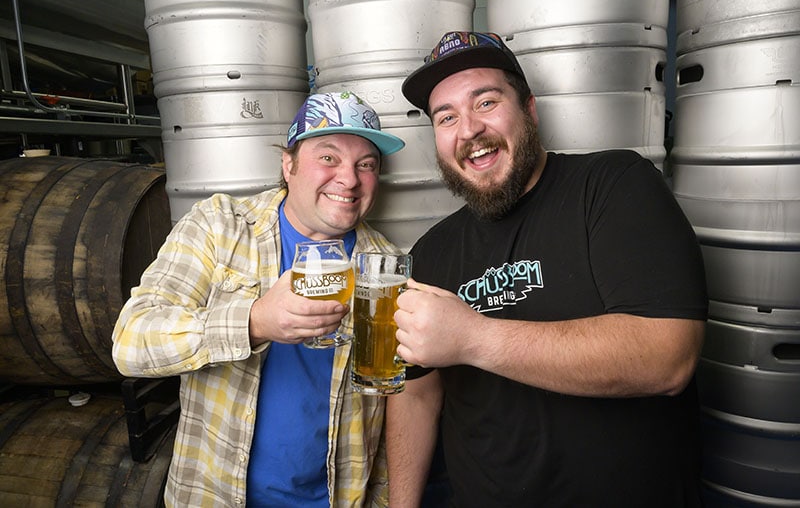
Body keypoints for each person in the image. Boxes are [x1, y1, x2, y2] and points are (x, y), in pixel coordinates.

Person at [386, 31, 708, 507]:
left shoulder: (613, 186)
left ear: (529, 110)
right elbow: (416, 394)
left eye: (487, 102)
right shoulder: (431, 252)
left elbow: (668, 357)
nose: (469, 129)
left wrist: (473, 337)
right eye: (446, 117)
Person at [112, 91, 405, 507]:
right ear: (289, 165)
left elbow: (397, 406)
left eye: (366, 164)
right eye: (328, 157)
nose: (349, 178)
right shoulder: (220, 226)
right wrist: (253, 321)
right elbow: (130, 341)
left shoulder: (388, 267)